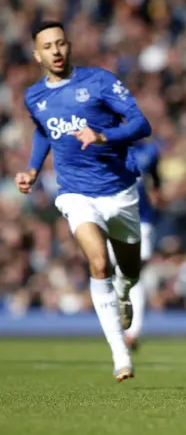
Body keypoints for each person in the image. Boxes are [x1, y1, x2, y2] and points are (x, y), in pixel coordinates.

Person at [15, 21, 151, 381]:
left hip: (120, 192)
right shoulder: (34, 96)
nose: (56, 51)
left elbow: (140, 124)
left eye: (60, 44)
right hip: (76, 193)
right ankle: (121, 355)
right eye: (48, 46)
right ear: (37, 54)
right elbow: (44, 130)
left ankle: (124, 291)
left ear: (69, 45)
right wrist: (31, 169)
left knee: (130, 272)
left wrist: (104, 135)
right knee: (98, 262)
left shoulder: (100, 81)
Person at [110, 138, 162, 351]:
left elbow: (157, 181)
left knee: (135, 274)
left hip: (142, 219)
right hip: (114, 218)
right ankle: (121, 327)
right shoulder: (109, 147)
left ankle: (133, 331)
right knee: (116, 274)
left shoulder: (149, 151)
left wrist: (157, 194)